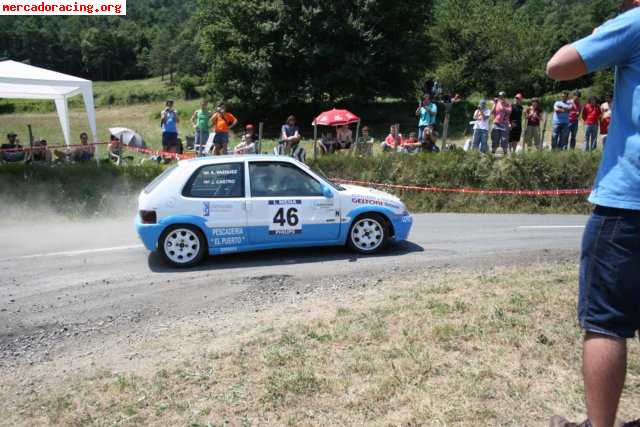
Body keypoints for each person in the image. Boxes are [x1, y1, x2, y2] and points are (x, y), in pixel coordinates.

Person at [546, 2, 640, 426]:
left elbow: (559, 66)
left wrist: (613, 30)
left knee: (605, 322)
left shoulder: (636, 23)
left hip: (629, 202)